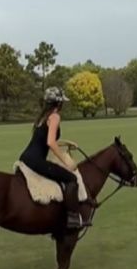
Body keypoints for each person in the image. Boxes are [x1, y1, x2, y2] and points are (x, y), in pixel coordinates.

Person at [19, 87, 91, 229]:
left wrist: (66, 143)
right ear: (58, 104)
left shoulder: (43, 116)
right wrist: (66, 161)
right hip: (36, 161)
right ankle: (73, 218)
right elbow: (50, 142)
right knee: (71, 179)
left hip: (26, 157)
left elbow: (43, 140)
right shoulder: (55, 117)